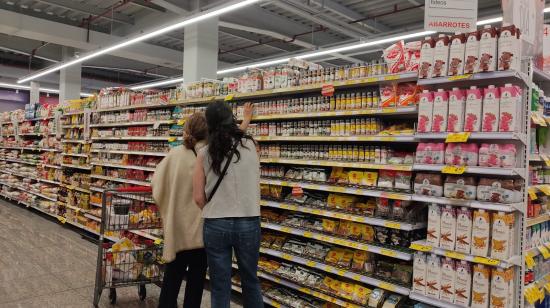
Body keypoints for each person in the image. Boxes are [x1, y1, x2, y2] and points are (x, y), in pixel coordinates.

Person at [193, 101, 263, 308]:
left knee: (220, 285)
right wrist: (246, 119)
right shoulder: (251, 146)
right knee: (250, 281)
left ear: (209, 124)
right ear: (231, 118)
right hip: (249, 222)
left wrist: (215, 207)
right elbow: (236, 139)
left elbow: (198, 198)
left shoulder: (204, 154)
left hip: (216, 224)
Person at [153, 113, 209, 308]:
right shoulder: (209, 156)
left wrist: (169, 207)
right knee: (195, 283)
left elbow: (156, 186)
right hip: (200, 231)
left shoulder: (174, 154)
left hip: (176, 228)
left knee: (171, 279)